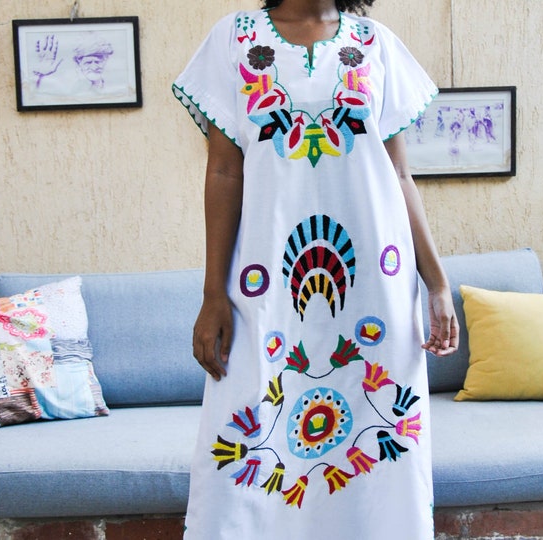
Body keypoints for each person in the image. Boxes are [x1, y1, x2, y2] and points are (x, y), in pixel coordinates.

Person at [172, 0, 458, 538]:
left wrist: (437, 282)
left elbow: (399, 175)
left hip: (375, 284)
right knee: (250, 413)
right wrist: (213, 295)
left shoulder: (374, 43)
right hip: (265, 283)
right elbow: (224, 172)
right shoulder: (235, 40)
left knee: (380, 432)